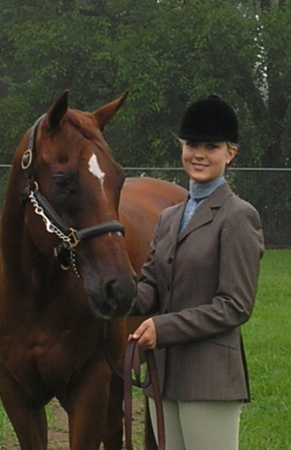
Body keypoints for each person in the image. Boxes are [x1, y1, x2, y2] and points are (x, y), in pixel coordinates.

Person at [129, 95, 264, 450]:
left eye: (211, 146)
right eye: (192, 144)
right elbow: (150, 289)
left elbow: (234, 305)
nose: (199, 154)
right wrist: (112, 288)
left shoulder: (238, 216)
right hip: (164, 378)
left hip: (209, 380)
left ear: (230, 153)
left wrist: (164, 327)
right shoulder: (169, 218)